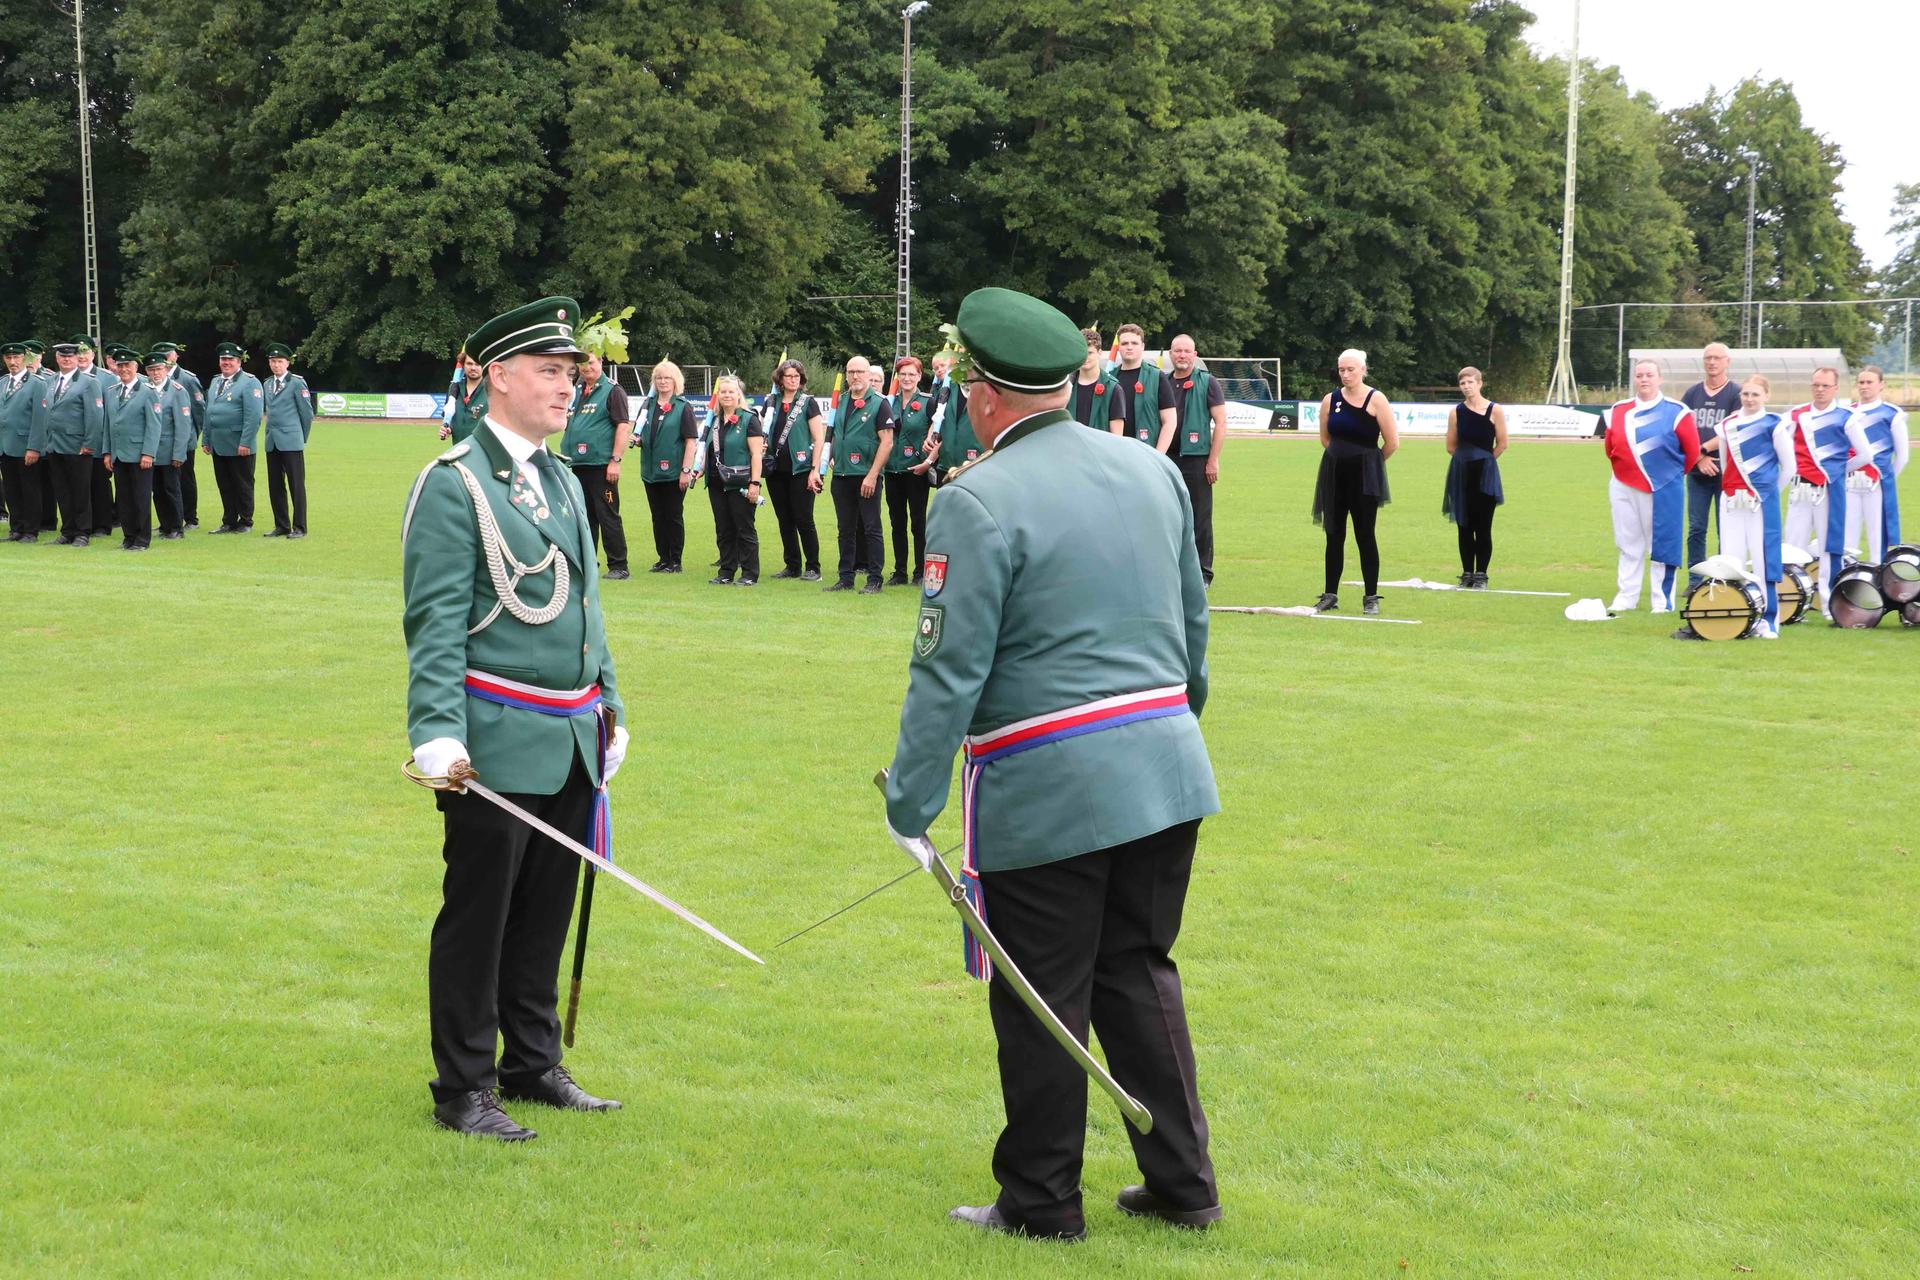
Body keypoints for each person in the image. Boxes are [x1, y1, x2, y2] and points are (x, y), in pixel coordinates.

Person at [882, 286, 1221, 1243]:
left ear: (986, 395)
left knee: (1041, 995)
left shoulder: (975, 498)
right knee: (1138, 973)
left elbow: (947, 673)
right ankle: (1184, 1183)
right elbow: (1193, 635)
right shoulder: (1151, 471)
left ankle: (1039, 1202)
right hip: (1166, 764)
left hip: (1051, 780)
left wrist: (909, 802)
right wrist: (1170, 729)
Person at [402, 296, 628, 1141]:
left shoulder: (563, 476)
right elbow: (433, 622)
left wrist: (611, 707)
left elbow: (588, 611)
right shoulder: (455, 484)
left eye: (571, 375)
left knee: (544, 914)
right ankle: (464, 1086)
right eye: (549, 373)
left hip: (571, 736)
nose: (567, 389)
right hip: (492, 740)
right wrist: (436, 730)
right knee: (480, 915)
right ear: (497, 377)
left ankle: (531, 1063)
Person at [1603, 359, 1702, 613]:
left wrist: (1665, 477)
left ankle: (1662, 600)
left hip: (1662, 488)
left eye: (1649, 375)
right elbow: (1610, 448)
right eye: (1639, 375)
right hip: (1623, 484)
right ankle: (1627, 596)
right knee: (1628, 543)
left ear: (1659, 378)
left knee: (1661, 544)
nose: (1644, 379)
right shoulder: (1619, 410)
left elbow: (1691, 453)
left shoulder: (1677, 411)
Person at [1312, 349, 1399, 614]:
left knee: (1365, 535)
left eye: (1351, 369)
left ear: (1363, 369)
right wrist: (1341, 456)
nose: (1346, 374)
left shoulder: (1376, 399)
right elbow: (1326, 438)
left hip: (1364, 477)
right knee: (1334, 534)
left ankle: (1370, 596)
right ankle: (1330, 594)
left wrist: (1370, 463)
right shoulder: (1331, 399)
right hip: (1334, 473)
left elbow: (1392, 443)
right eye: (1341, 370)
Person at [1784, 367, 1872, 617]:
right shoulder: (1795, 415)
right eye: (1816, 385)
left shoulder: (1847, 416)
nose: (1820, 390)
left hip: (1829, 491)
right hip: (1800, 489)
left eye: (1825, 386)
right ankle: (1790, 605)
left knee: (1829, 546)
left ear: (1835, 388)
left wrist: (1837, 471)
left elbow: (1865, 454)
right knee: (1792, 545)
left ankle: (1829, 604)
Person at [1714, 375, 1794, 639]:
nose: (1749, 399)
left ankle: (1769, 619)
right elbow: (1726, 466)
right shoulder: (1726, 425)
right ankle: (1737, 615)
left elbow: (1789, 468)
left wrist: (1767, 493)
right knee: (1732, 559)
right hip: (1732, 502)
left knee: (1763, 559)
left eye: (1755, 395)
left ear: (1766, 397)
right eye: (1746, 394)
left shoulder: (1776, 424)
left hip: (1760, 503)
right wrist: (1731, 492)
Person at [556, 352, 632, 579]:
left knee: (607, 516)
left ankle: (619, 565)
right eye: (582, 363)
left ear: (600, 362)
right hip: (578, 465)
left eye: (590, 362)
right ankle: (589, 561)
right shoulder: (577, 390)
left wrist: (615, 461)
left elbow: (622, 427)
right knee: (584, 518)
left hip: (601, 465)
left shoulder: (612, 390)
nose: (586, 367)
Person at [824, 355, 894, 593]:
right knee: (845, 529)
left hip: (866, 475)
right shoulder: (841, 401)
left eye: (860, 372)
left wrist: (873, 475)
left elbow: (887, 442)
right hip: (841, 475)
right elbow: (832, 436)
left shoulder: (880, 403)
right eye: (851, 372)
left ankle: (875, 579)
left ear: (868, 374)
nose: (855, 376)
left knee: (871, 527)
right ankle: (846, 577)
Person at [27, 342, 106, 546]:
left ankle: (82, 533)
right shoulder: (52, 381)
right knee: (62, 491)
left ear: (76, 358)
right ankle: (67, 531)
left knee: (80, 491)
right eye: (63, 356)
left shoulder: (89, 382)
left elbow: (95, 416)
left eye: (70, 356)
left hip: (77, 446)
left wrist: (89, 443)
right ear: (57, 359)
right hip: (55, 445)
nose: (66, 359)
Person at [1164, 336, 1226, 586]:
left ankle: (1203, 573)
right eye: (1177, 351)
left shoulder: (1207, 382)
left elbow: (1220, 423)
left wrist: (1213, 460)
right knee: (1168, 516)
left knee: (1200, 517)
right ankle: (1173, 568)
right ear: (1170, 354)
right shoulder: (1163, 382)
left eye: (1186, 351)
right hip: (1167, 459)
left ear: (1194, 354)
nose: (1182, 355)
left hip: (1197, 459)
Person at [759, 359, 826, 580]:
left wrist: (815, 469)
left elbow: (818, 437)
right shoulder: (770, 402)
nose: (793, 379)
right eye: (789, 376)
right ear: (780, 379)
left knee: (803, 518)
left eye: (797, 376)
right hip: (775, 469)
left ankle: (813, 567)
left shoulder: (808, 403)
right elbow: (762, 431)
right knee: (784, 519)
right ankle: (792, 565)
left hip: (801, 468)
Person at [1680, 342, 1738, 588]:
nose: (1712, 362)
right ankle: (1695, 580)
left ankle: (1723, 577)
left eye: (1717, 358)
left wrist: (1704, 449)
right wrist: (1699, 458)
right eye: (1708, 358)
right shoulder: (1692, 394)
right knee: (1696, 528)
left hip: (1726, 473)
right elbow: (1683, 430)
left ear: (1727, 361)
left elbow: (1731, 429)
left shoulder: (1736, 393)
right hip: (1697, 472)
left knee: (1725, 528)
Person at [1443, 366, 1507, 588]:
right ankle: (1467, 573)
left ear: (1479, 383)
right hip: (1461, 473)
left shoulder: (1494, 410)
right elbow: (1450, 446)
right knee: (1464, 526)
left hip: (1485, 474)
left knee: (1483, 526)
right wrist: (1466, 460)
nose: (1466, 386)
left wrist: (1485, 461)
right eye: (1462, 383)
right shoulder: (1456, 413)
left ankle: (1481, 575)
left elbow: (1502, 444)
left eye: (1470, 382)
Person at [633, 361, 699, 573]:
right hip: (650, 472)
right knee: (657, 516)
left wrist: (686, 471)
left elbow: (690, 441)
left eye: (667, 378)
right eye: (659, 378)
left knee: (673, 515)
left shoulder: (683, 407)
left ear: (675, 381)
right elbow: (644, 433)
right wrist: (638, 439)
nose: (662, 381)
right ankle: (662, 557)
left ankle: (675, 560)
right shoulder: (648, 405)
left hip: (673, 472)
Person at [1844, 366, 1908, 563]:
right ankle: (1848, 579)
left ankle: (1879, 578)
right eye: (1861, 382)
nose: (1864, 386)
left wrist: (1885, 479)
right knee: (1847, 536)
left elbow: (1902, 456)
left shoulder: (1892, 414)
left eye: (1869, 382)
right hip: (1849, 484)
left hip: (1876, 485)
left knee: (1877, 534)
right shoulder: (1846, 412)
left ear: (1881, 385)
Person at [101, 345, 163, 551]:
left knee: (141, 498)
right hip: (119, 454)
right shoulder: (112, 392)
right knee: (124, 499)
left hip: (139, 455)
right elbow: (107, 425)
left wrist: (148, 453)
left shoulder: (148, 392)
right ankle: (128, 537)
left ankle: (142, 539)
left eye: (127, 365)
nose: (123, 369)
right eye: (120, 365)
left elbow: (154, 426)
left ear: (136, 367)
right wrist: (107, 452)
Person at [706, 374, 764, 585]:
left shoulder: (749, 419)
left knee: (744, 528)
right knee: (723, 529)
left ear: (738, 395)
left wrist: (755, 483)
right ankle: (726, 571)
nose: (727, 395)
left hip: (740, 483)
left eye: (731, 392)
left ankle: (749, 573)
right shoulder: (714, 420)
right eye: (723, 392)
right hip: (716, 483)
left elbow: (757, 455)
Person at [201, 342, 264, 533]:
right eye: (223, 359)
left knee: (242, 483)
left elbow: (253, 416)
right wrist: (206, 438)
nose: (226, 362)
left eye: (230, 359)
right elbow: (209, 412)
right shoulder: (216, 381)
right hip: (218, 443)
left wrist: (245, 441)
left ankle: (245, 521)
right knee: (225, 484)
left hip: (238, 443)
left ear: (239, 361)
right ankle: (228, 520)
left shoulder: (249, 382)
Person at [884, 354, 935, 584]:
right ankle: (900, 571)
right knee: (897, 523)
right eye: (903, 374)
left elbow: (938, 433)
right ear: (897, 376)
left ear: (919, 376)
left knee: (917, 522)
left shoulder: (928, 402)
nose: (907, 378)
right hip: (892, 470)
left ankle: (920, 571)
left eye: (911, 374)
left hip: (916, 470)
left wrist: (929, 457)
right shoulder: (887, 402)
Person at [261, 343, 316, 539]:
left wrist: (301, 437)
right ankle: (281, 525)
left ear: (287, 363)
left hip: (291, 440)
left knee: (296, 485)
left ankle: (299, 526)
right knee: (275, 485)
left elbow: (307, 414)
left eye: (279, 361)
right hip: (272, 440)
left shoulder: (296, 383)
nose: (276, 365)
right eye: (273, 361)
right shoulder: (267, 383)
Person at [154, 343, 206, 528]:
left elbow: (199, 410)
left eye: (168, 355)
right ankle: (167, 520)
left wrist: (194, 434)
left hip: (184, 438)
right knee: (164, 484)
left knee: (185, 480)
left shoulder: (186, 379)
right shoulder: (152, 379)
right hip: (161, 442)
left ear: (175, 356)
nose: (166, 358)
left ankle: (191, 518)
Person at [144, 351, 195, 539]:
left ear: (166, 369)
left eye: (158, 369)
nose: (155, 373)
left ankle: (176, 527)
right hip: (151, 451)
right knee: (157, 490)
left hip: (169, 449)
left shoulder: (177, 391)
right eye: (151, 370)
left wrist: (178, 453)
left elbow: (183, 426)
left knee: (171, 489)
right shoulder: (145, 389)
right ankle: (165, 525)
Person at [72, 336, 117, 539]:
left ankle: (102, 524)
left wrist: (108, 444)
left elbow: (110, 413)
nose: (82, 356)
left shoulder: (107, 378)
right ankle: (82, 524)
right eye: (78, 353)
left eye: (85, 352)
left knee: (99, 484)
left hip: (98, 441)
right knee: (79, 485)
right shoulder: (67, 377)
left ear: (93, 354)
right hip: (73, 443)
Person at [1, 342, 44, 542]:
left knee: (30, 490)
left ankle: (30, 530)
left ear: (24, 359)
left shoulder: (36, 383)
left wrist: (34, 446)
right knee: (11, 490)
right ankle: (16, 528)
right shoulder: (2, 383)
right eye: (8, 358)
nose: (12, 362)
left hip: (25, 445)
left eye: (16, 358)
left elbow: (39, 418)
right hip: (5, 446)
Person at [1111, 324, 1176, 449]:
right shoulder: (1110, 379)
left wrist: (1158, 456)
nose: (1129, 347)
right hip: (1116, 452)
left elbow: (1170, 422)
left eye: (1134, 343)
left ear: (1142, 346)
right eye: (1124, 343)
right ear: (1118, 347)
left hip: (1148, 452)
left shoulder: (1157, 377)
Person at [1069, 328, 1124, 433]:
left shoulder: (1113, 389)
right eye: (1081, 352)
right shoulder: (1066, 386)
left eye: (1090, 353)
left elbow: (1117, 437)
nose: (1085, 357)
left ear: (1099, 353)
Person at [440, 352, 487, 444]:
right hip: (459, 449)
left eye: (477, 364)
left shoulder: (492, 389)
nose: (473, 368)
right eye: (469, 364)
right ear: (463, 365)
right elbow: (452, 417)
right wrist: (449, 429)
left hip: (483, 451)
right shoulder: (453, 388)